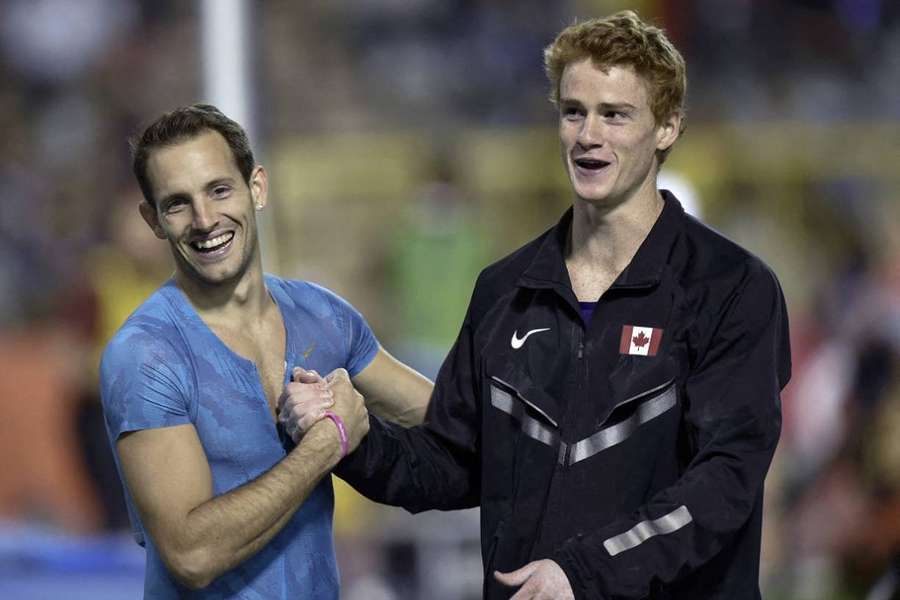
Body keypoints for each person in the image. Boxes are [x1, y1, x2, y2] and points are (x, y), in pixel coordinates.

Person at [286, 10, 791, 599]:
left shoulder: (731, 288)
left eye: (615, 114)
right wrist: (353, 438)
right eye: (574, 112)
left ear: (668, 127)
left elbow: (723, 484)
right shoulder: (506, 291)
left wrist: (581, 572)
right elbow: (451, 464)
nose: (588, 135)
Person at [99, 104, 432, 598]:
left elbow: (445, 416)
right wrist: (326, 444)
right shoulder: (147, 355)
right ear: (153, 220)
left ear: (256, 187)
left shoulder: (323, 314)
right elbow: (192, 556)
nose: (205, 219)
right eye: (177, 204)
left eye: (219, 189)